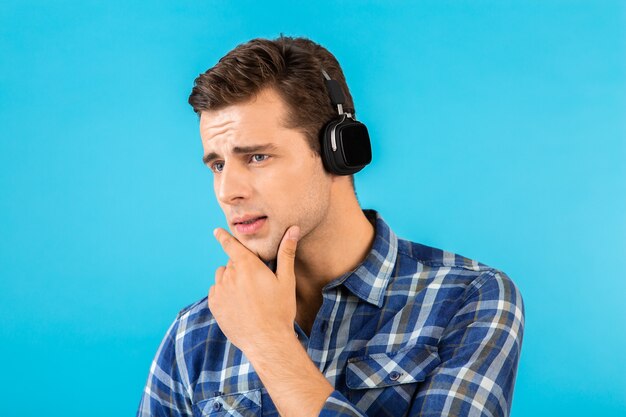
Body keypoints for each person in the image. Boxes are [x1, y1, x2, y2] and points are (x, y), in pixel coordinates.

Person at [137, 35, 525, 417]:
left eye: (257, 156)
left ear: (338, 151)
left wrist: (270, 344)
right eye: (218, 165)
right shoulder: (194, 333)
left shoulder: (470, 298)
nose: (228, 191)